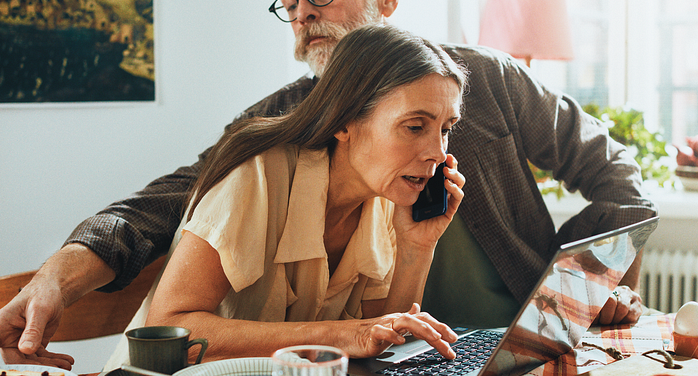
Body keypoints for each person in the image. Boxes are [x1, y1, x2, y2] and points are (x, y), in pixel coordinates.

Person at [0, 0, 657, 370]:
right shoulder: (287, 129)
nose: (303, 13)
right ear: (343, 130)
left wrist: (577, 290)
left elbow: (622, 182)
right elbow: (155, 210)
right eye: (289, 1)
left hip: (503, 345)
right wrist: (59, 275)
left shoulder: (488, 81)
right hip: (401, 354)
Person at [102, 24, 467, 365]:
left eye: (446, 129)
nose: (436, 152)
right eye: (415, 126)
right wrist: (334, 336)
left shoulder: (387, 197)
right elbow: (172, 328)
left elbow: (378, 345)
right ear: (344, 121)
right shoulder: (259, 175)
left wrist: (416, 248)